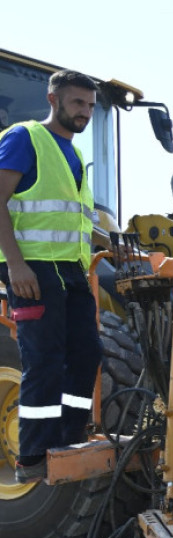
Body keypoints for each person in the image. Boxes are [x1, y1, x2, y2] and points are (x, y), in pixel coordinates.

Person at [0, 70, 107, 483]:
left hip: (70, 270)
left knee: (86, 354)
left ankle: (68, 438)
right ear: (53, 100)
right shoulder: (25, 138)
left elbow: (70, 218)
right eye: (78, 103)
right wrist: (15, 265)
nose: (85, 112)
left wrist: (104, 243)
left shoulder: (75, 154)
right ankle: (32, 456)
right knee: (44, 360)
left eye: (91, 106)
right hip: (34, 268)